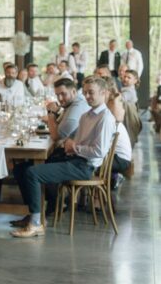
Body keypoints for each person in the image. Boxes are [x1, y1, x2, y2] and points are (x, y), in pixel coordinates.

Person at [11, 76, 116, 239]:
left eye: (91, 93)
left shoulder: (105, 118)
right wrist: (71, 145)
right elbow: (77, 142)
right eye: (85, 92)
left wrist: (74, 147)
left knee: (33, 173)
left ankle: (36, 224)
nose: (87, 96)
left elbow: (99, 152)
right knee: (21, 168)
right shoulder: (86, 115)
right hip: (73, 159)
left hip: (84, 167)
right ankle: (35, 213)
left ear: (103, 93)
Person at [11, 77, 89, 224]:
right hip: (71, 154)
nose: (60, 98)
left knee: (29, 170)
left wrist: (51, 114)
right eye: (57, 95)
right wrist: (58, 111)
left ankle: (39, 215)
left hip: (76, 160)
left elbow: (56, 136)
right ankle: (45, 207)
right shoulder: (73, 104)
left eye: (63, 94)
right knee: (20, 168)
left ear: (74, 91)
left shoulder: (77, 108)